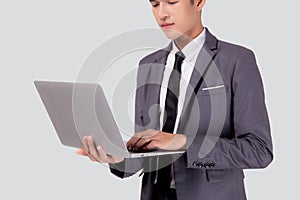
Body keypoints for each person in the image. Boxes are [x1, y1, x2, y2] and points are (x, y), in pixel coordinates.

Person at [76, 0, 273, 199]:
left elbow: (259, 150)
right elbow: (147, 152)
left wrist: (181, 142)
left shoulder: (237, 60)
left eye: (171, 2)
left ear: (198, 2)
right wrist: (117, 157)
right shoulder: (147, 65)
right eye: (154, 4)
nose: (162, 13)